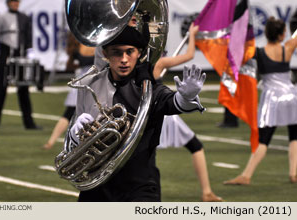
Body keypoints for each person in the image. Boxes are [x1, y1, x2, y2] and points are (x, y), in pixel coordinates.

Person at [66, 25, 206, 202]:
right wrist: (76, 133)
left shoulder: (147, 88)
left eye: (129, 52)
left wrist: (185, 98)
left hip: (138, 185)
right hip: (97, 183)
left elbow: (170, 102)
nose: (124, 59)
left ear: (139, 53)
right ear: (105, 54)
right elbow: (74, 141)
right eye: (116, 52)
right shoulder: (90, 85)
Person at [224, 17, 297, 185]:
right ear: (281, 36)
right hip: (291, 96)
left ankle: (246, 175)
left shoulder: (259, 52)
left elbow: (236, 54)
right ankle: (294, 173)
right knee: (294, 136)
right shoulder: (288, 47)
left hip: (272, 98)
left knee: (264, 140)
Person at [154, 23, 222, 202]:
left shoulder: (145, 63)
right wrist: (192, 34)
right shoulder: (159, 62)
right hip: (162, 112)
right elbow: (190, 55)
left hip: (155, 112)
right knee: (195, 146)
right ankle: (206, 191)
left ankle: (207, 192)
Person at [0, 0, 41, 131]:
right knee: (0, 90)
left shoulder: (24, 17)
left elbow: (28, 38)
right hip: (5, 55)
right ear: (8, 3)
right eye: (12, 1)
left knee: (24, 90)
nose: (15, 3)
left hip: (21, 55)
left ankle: (29, 123)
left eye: (17, 1)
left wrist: (31, 55)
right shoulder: (0, 17)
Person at [43, 33, 95, 149]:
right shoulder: (95, 43)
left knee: (74, 113)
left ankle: (51, 142)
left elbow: (69, 65)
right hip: (87, 81)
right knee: (70, 113)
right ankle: (52, 141)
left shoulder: (78, 45)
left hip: (86, 80)